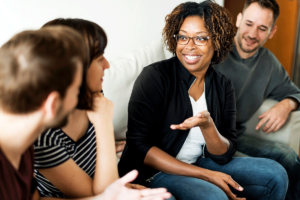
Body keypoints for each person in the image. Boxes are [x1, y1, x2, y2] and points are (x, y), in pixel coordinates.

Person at [118, 1, 289, 200]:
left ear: (217, 41)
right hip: (153, 173)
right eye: (183, 37)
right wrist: (206, 175)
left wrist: (208, 127)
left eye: (200, 38)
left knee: (275, 174)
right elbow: (140, 147)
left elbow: (224, 153)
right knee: (213, 196)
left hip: (200, 161)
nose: (189, 46)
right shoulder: (155, 76)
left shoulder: (223, 85)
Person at [0, 27, 170, 200]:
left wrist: (105, 198)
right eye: (76, 92)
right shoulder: (34, 146)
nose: (80, 100)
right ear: (52, 104)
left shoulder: (23, 148)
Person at [213, 0, 300, 199]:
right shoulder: (214, 49)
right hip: (206, 140)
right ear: (238, 19)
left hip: (235, 137)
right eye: (249, 24)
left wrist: (287, 104)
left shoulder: (268, 63)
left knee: (289, 157)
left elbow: (295, 92)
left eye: (262, 28)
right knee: (271, 173)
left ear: (272, 31)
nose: (252, 34)